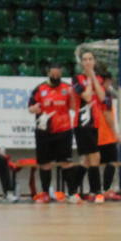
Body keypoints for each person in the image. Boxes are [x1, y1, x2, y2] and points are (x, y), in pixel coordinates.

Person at [27, 60, 78, 203]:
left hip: (64, 130)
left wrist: (73, 96)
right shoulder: (40, 89)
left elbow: (74, 108)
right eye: (53, 72)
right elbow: (30, 107)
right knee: (45, 163)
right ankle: (45, 194)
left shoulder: (68, 88)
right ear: (48, 72)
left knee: (66, 162)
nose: (56, 74)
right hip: (44, 130)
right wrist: (34, 109)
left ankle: (73, 194)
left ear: (61, 73)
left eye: (58, 72)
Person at [72, 50, 107, 203]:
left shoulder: (98, 78)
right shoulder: (76, 79)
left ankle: (72, 191)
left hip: (95, 122)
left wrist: (92, 76)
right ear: (81, 63)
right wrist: (89, 80)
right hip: (82, 122)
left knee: (86, 161)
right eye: (85, 59)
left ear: (94, 62)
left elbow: (102, 97)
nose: (87, 62)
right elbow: (86, 96)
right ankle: (96, 192)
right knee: (95, 156)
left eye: (90, 59)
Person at [93, 61, 121, 201]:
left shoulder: (94, 94)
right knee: (112, 162)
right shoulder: (106, 95)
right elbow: (108, 115)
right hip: (106, 134)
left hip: (94, 134)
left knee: (93, 163)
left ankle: (97, 191)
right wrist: (115, 132)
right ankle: (105, 190)